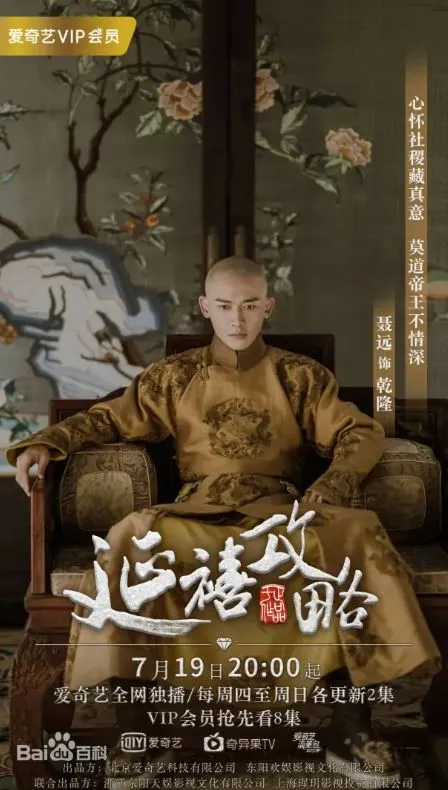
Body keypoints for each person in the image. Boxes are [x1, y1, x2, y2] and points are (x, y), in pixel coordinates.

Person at [8, 257, 441, 788]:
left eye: (250, 306)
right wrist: (45, 443)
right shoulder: (174, 376)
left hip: (281, 513)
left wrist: (333, 484)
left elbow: (359, 431)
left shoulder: (300, 376)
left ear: (268, 307)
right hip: (197, 511)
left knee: (354, 533)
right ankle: (138, 730)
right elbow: (108, 417)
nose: (238, 319)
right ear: (205, 308)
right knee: (130, 538)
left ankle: (349, 726)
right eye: (226, 306)